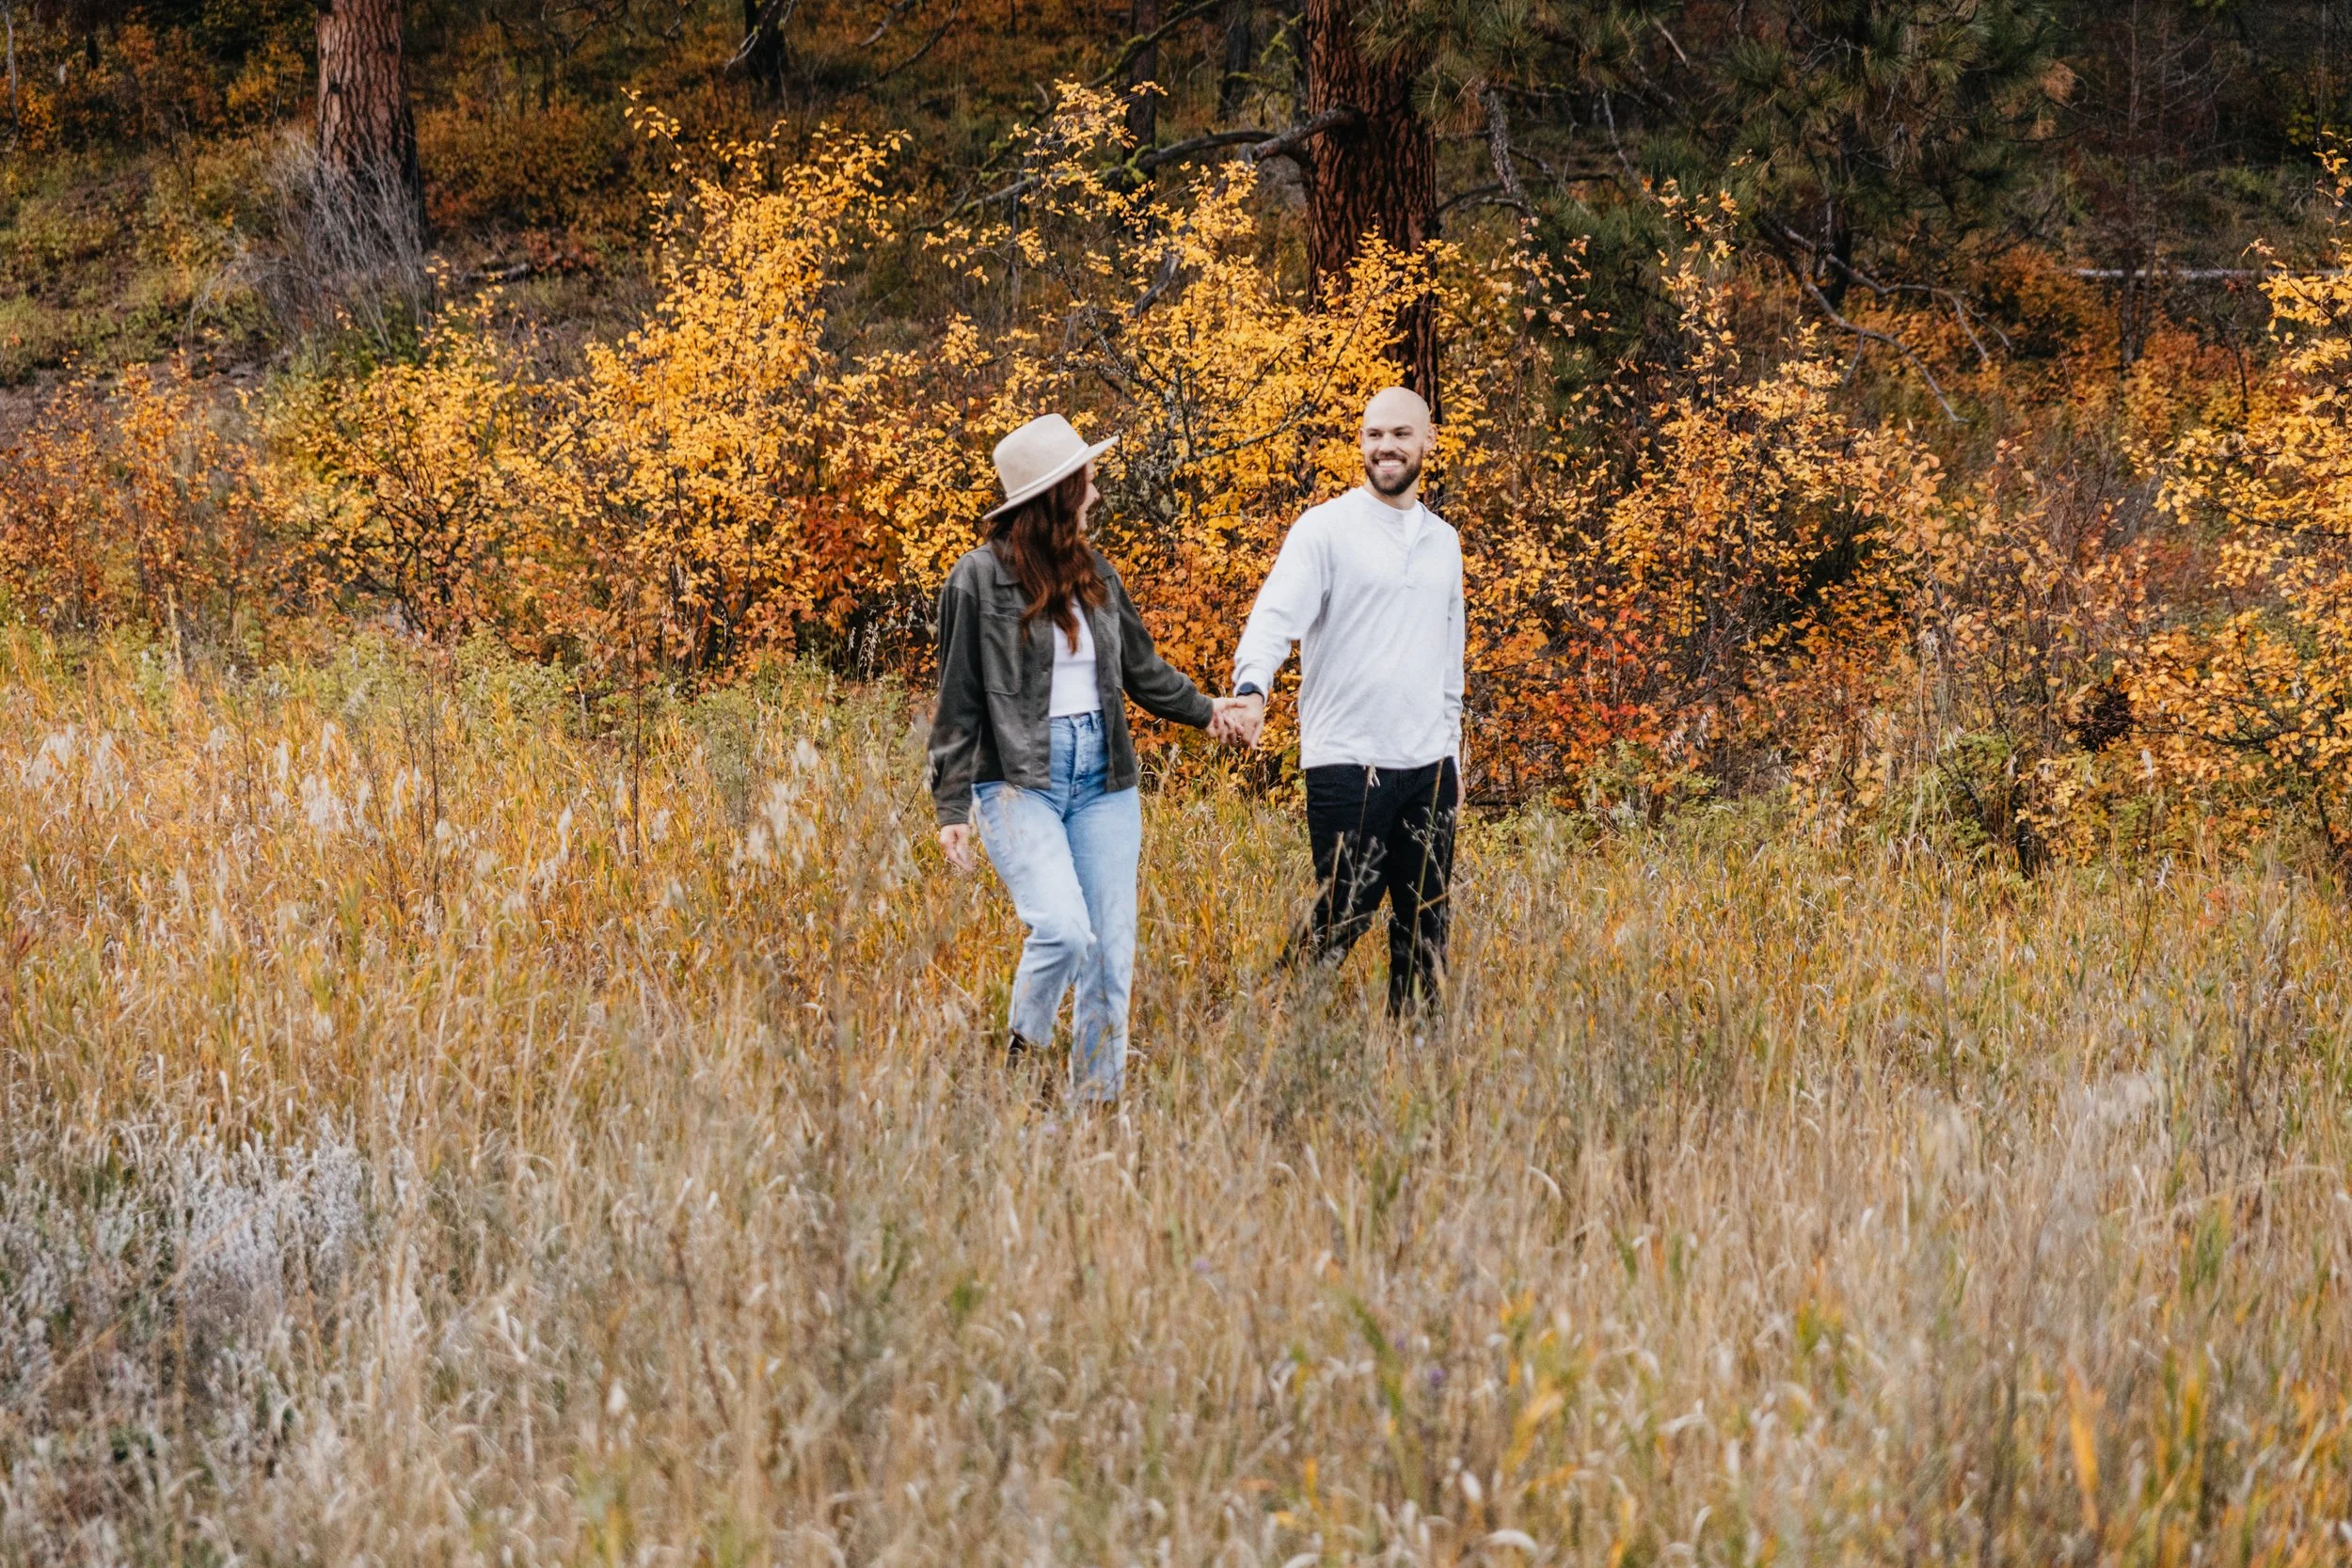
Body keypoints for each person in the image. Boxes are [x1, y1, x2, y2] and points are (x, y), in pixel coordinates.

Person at [930, 413, 1255, 1105]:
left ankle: (1094, 1111)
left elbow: (1143, 670)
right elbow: (956, 699)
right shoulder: (976, 581)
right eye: (1088, 480)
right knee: (1062, 929)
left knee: (1110, 952)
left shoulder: (1097, 574)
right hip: (1018, 781)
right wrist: (950, 807)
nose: (1097, 493)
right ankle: (1021, 1065)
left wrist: (1209, 711)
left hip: (1104, 779)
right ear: (1058, 492)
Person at [1213, 387, 1465, 1015]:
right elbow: (1274, 617)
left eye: (1401, 434)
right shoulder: (1325, 529)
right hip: (1346, 759)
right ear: (1361, 441)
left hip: (1429, 764)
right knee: (1347, 907)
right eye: (1375, 434)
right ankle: (1267, 1014)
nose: (1386, 446)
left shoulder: (1444, 542)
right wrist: (1251, 690)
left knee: (1425, 927)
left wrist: (1452, 751)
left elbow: (1449, 654)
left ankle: (1417, 1058)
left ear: (1427, 441)